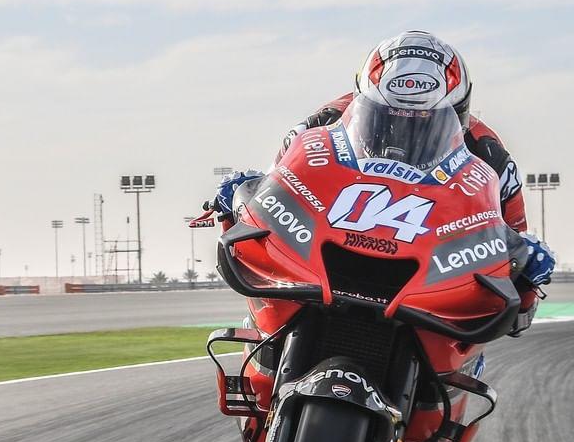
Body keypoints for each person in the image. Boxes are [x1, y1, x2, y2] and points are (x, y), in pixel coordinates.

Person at [212, 31, 554, 326]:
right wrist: (245, 193)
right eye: (388, 118)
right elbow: (280, 182)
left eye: (424, 122)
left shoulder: (491, 156)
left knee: (499, 318)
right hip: (327, 245)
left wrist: (527, 264)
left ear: (459, 110)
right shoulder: (320, 123)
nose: (405, 132)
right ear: (364, 101)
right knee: (262, 309)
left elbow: (511, 238)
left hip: (429, 276)